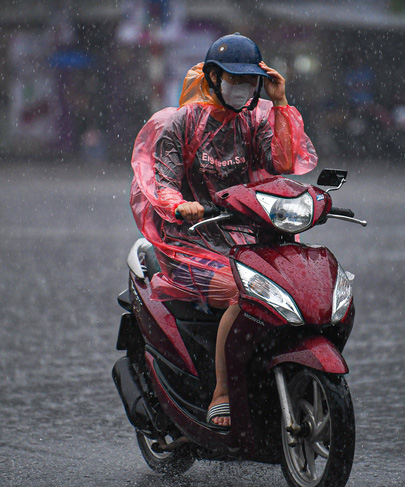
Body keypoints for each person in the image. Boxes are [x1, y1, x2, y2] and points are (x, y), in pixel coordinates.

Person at [128, 33, 317, 428]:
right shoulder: (180, 123)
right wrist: (180, 205)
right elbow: (162, 182)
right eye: (235, 78)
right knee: (243, 290)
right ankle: (222, 392)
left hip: (247, 238)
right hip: (189, 239)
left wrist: (279, 101)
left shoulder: (255, 119)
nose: (243, 88)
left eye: (251, 81)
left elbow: (283, 162)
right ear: (213, 77)